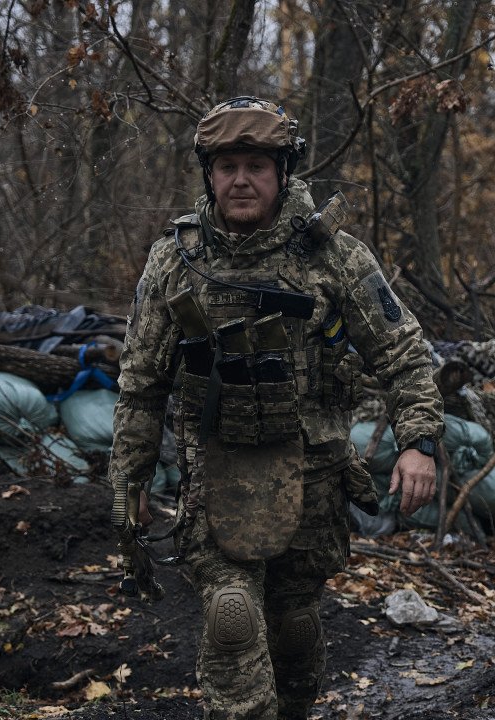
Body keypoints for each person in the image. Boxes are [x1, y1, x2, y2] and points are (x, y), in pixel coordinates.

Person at [107, 96, 444, 720]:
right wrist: (130, 481)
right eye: (228, 165)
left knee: (294, 626)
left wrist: (419, 441)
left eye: (257, 166)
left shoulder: (333, 257)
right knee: (233, 618)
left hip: (312, 479)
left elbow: (404, 353)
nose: (241, 180)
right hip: (216, 471)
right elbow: (143, 382)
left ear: (282, 172)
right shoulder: (176, 261)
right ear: (208, 174)